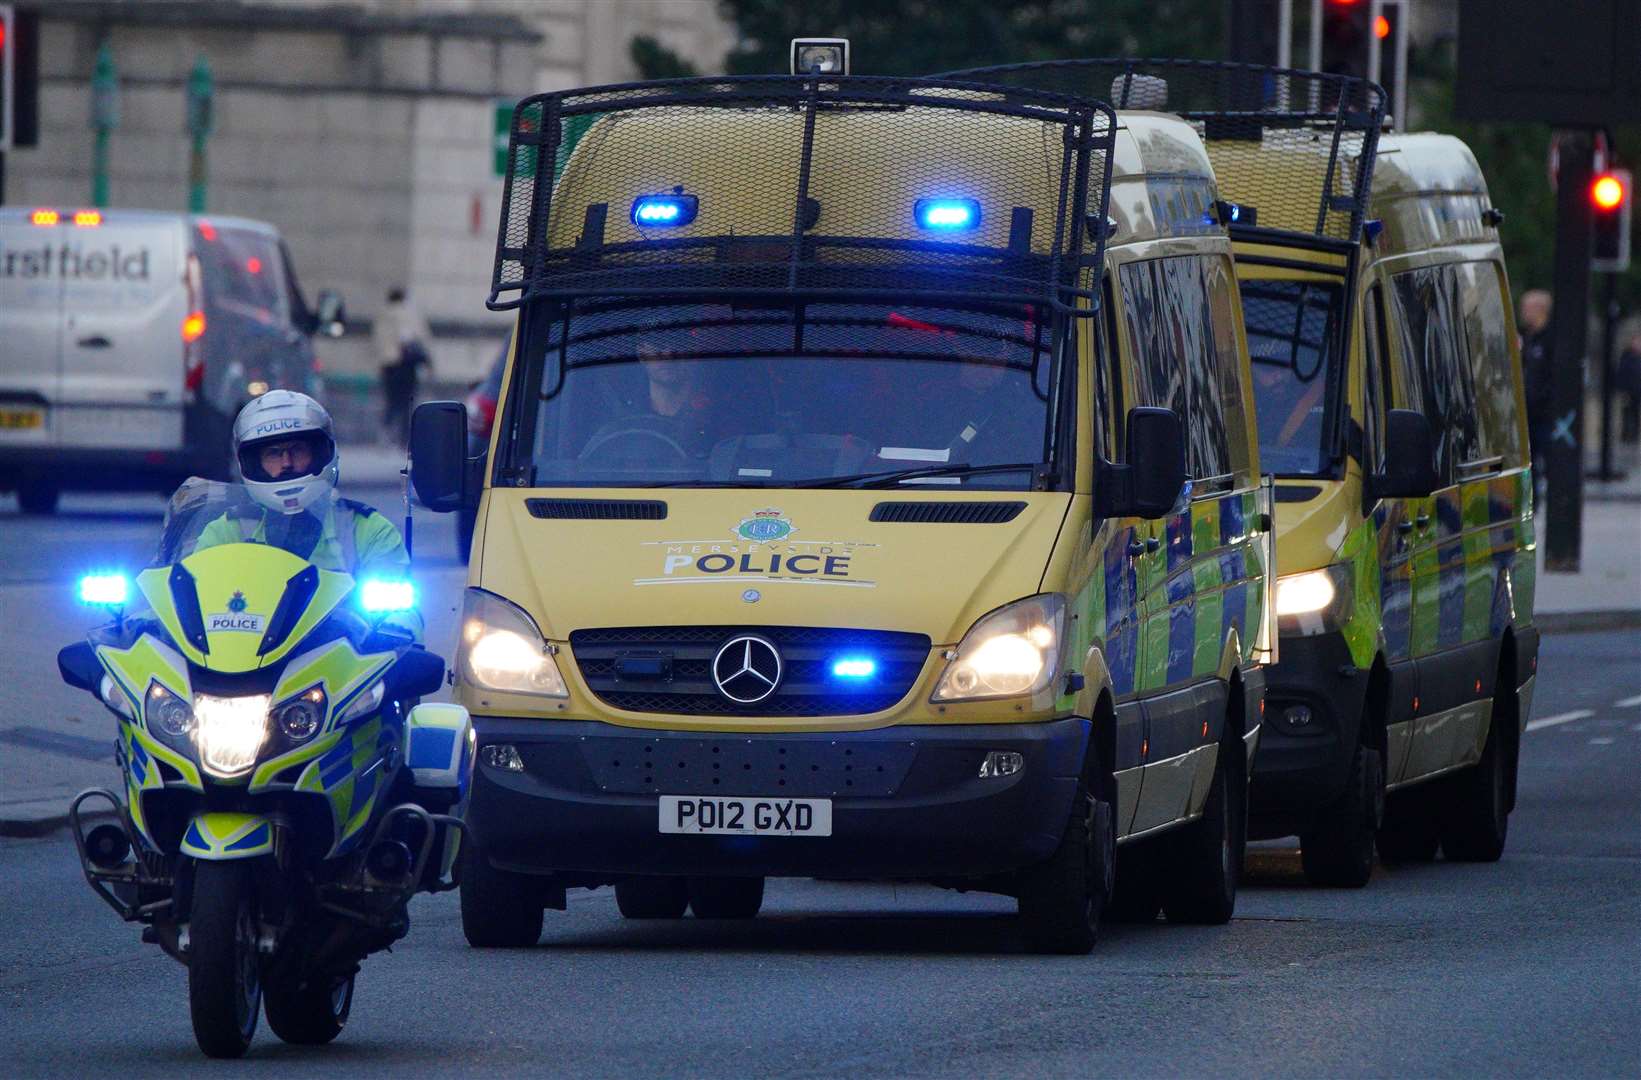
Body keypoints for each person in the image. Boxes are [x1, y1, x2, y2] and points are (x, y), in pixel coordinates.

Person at [193, 390, 422, 639]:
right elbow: (185, 598)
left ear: (321, 453)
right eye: (272, 454)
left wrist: (397, 628)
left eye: (297, 450)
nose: (286, 463)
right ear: (251, 463)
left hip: (341, 667)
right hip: (239, 665)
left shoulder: (368, 531)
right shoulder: (226, 531)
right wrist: (148, 621)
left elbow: (404, 613)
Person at [373, 286, 432, 446]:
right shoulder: (407, 314)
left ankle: (385, 433)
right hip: (405, 365)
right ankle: (403, 438)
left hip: (388, 365)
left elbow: (378, 344)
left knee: (391, 401)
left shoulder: (381, 316)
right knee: (407, 402)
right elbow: (411, 338)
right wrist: (428, 362)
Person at [1518, 289, 1553, 477]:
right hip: (1527, 413)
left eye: (1526, 308)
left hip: (1544, 412)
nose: (1522, 312)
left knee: (1546, 459)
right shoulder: (1525, 337)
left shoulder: (1550, 339)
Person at [1617, 328, 1641, 445]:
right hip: (1628, 390)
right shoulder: (1627, 357)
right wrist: (1623, 389)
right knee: (1627, 413)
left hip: (1637, 390)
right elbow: (1622, 374)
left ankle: (1634, 436)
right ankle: (1626, 436)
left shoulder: (1638, 358)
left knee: (1635, 414)